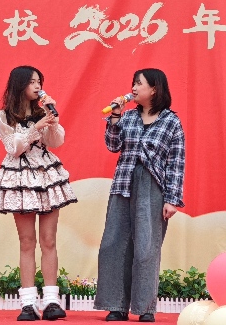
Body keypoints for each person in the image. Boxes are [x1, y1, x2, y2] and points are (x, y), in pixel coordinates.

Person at [94, 68, 186, 322]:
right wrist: (115, 116)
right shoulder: (128, 117)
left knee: (146, 247)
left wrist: (172, 199)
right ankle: (116, 305)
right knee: (113, 244)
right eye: (132, 84)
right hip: (123, 184)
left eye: (138, 84)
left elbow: (176, 163)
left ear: (154, 89)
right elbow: (113, 145)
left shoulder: (171, 121)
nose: (133, 88)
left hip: (153, 188)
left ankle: (145, 308)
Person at [0, 66, 77, 321]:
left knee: (49, 240)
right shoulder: (4, 116)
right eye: (31, 82)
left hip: (46, 176)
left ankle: (51, 301)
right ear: (19, 85)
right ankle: (28, 303)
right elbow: (14, 148)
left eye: (39, 81)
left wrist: (52, 118)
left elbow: (56, 141)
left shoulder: (43, 112)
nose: (37, 86)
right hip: (19, 178)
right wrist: (35, 127)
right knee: (27, 241)